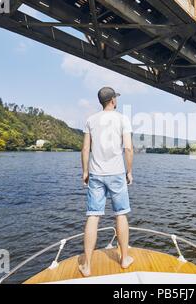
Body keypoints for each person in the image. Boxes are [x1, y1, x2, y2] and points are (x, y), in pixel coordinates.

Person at [79, 86, 134, 277]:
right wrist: (129, 172)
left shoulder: (90, 120)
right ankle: (125, 259)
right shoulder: (122, 119)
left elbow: (86, 149)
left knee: (93, 216)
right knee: (121, 215)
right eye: (115, 98)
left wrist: (85, 171)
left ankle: (87, 266)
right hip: (117, 173)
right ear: (112, 100)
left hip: (95, 174)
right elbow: (128, 149)